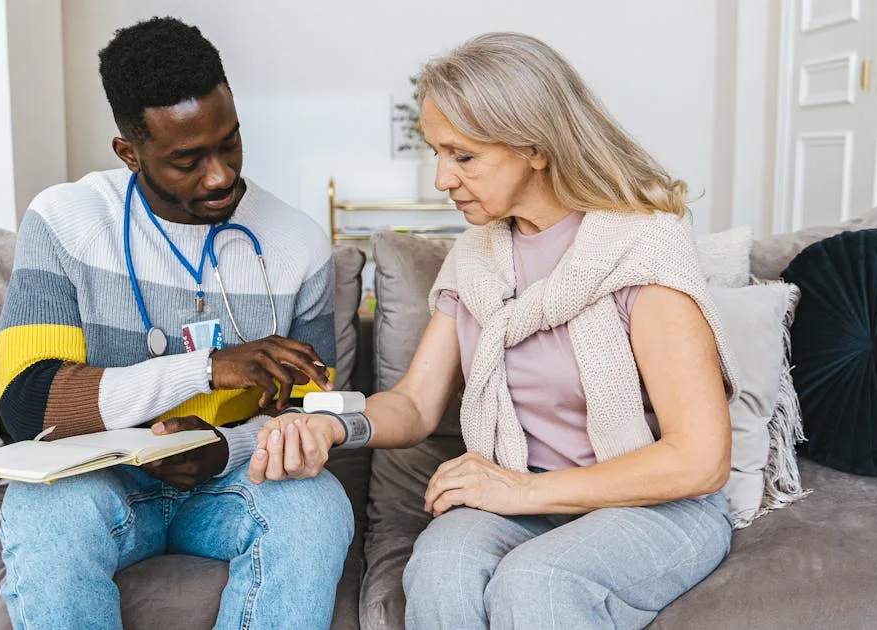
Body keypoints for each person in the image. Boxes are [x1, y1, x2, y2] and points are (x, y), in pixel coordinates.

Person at [249, 32, 742, 629]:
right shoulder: (476, 256)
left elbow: (700, 459)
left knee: (536, 582)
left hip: (654, 504)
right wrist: (332, 423)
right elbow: (414, 403)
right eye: (435, 152)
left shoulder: (642, 248)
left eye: (462, 156)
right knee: (439, 566)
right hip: (522, 495)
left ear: (534, 147)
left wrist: (521, 492)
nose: (441, 179)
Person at [0, 16, 353, 630]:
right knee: (42, 511)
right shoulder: (66, 221)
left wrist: (222, 448)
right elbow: (28, 403)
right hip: (99, 481)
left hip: (233, 480)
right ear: (130, 152)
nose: (219, 175)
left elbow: (312, 413)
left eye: (230, 142)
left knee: (316, 504)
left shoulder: (296, 243)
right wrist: (205, 370)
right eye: (187, 159)